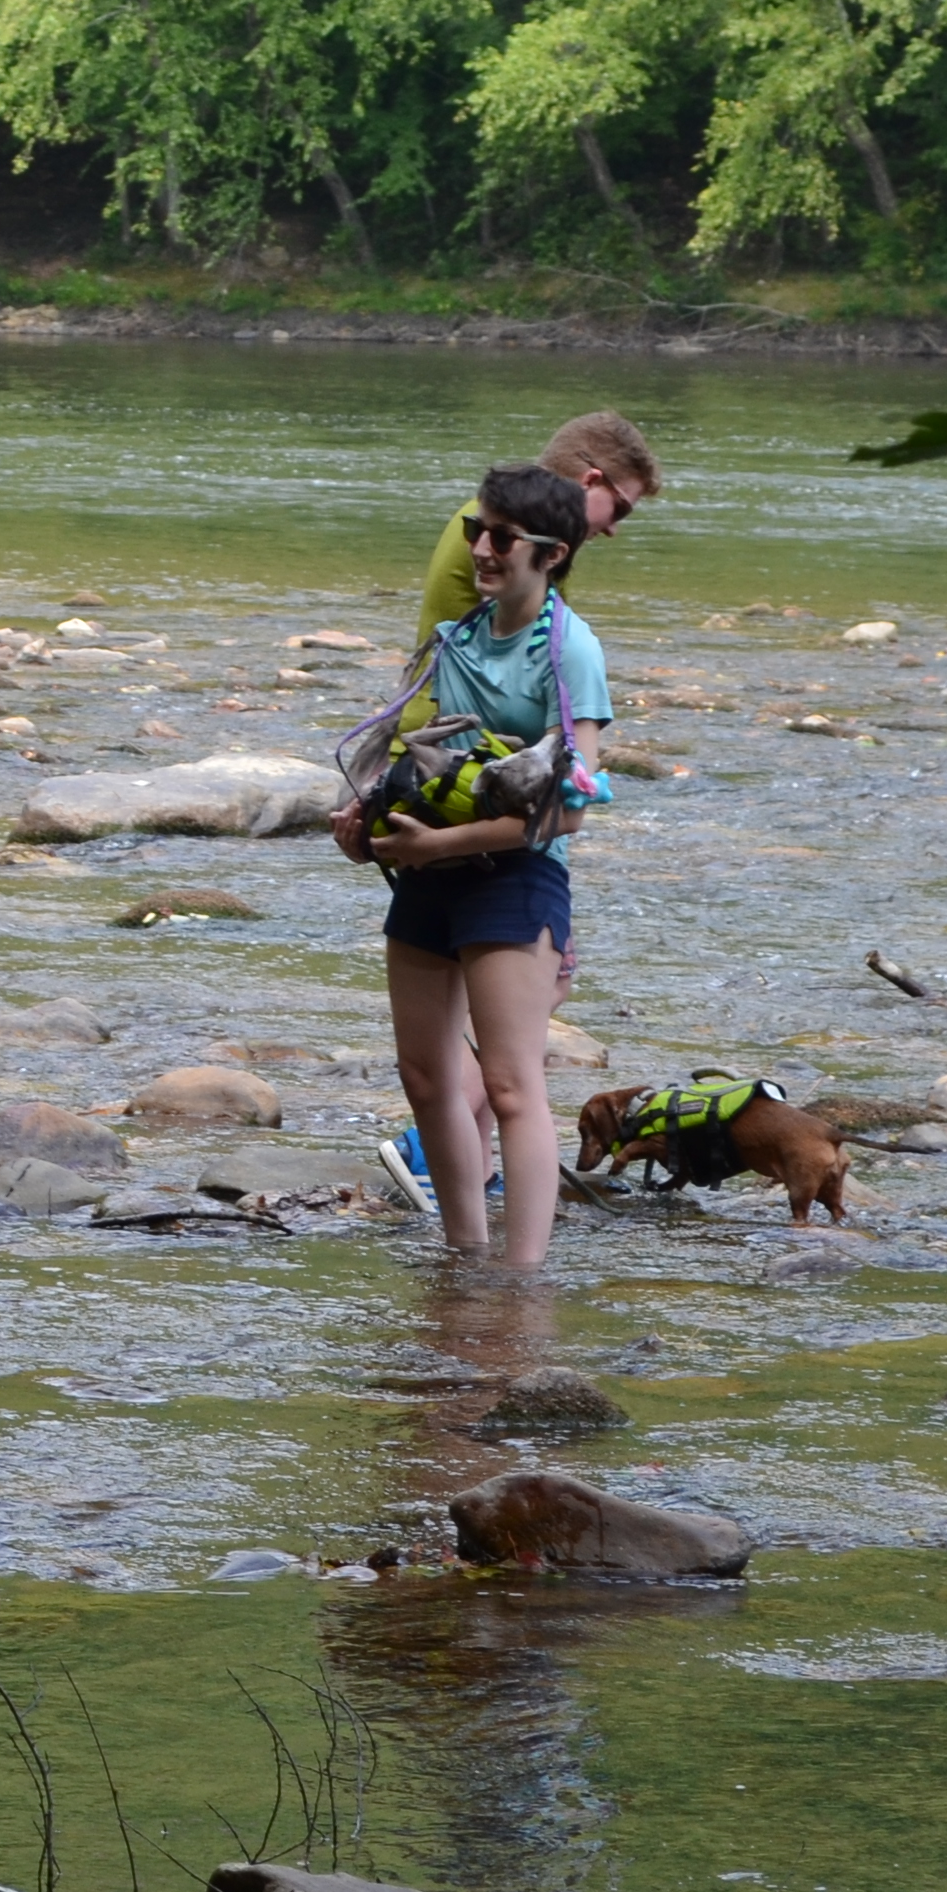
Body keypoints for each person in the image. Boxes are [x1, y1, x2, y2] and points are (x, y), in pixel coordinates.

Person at [373, 465, 612, 1274]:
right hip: (430, 873)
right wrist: (369, 812)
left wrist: (436, 846)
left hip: (514, 880)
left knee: (510, 1087)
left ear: (551, 554)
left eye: (500, 537)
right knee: (426, 1078)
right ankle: (463, 1256)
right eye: (478, 529)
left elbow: (572, 808)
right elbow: (434, 761)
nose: (479, 547)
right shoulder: (461, 638)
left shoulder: (570, 649)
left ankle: (523, 1277)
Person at [417, 409, 659, 638]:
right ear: (589, 481)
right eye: (620, 509)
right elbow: (536, 652)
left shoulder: (484, 513)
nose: (612, 530)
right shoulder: (521, 535)